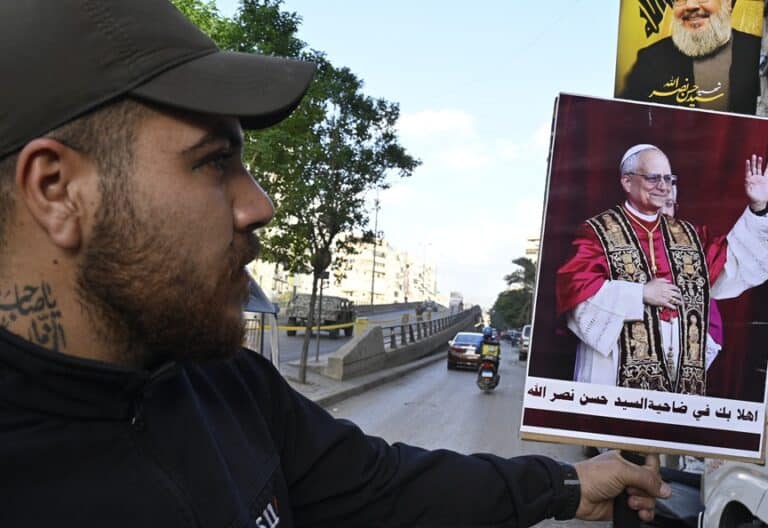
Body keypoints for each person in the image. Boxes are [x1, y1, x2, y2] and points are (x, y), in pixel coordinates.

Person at [0, 2, 670, 526]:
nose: (258, 204)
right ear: (58, 190)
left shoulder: (225, 387)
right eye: (212, 161)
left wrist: (563, 485)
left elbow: (381, 489)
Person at [557, 144, 768, 394]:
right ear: (627, 181)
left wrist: (758, 208)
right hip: (612, 369)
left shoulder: (692, 236)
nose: (663, 186)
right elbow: (576, 293)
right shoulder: (598, 232)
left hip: (677, 372)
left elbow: (731, 266)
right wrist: (640, 294)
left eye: (668, 179)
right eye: (653, 178)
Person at [620, 0, 760, 114]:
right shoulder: (651, 59)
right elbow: (626, 118)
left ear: (728, 3)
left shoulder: (756, 51)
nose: (690, 5)